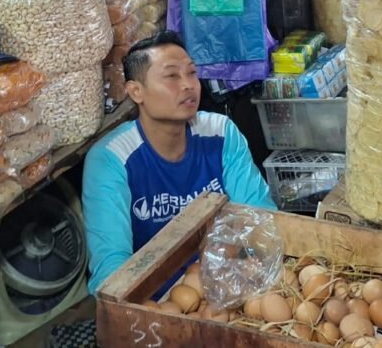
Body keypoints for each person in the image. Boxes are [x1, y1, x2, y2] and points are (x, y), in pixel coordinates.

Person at [82, 31, 275, 295]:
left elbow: (261, 219)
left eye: (192, 73)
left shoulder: (220, 132)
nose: (188, 85)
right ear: (136, 91)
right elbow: (111, 270)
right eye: (172, 76)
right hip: (154, 299)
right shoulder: (111, 158)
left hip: (230, 282)